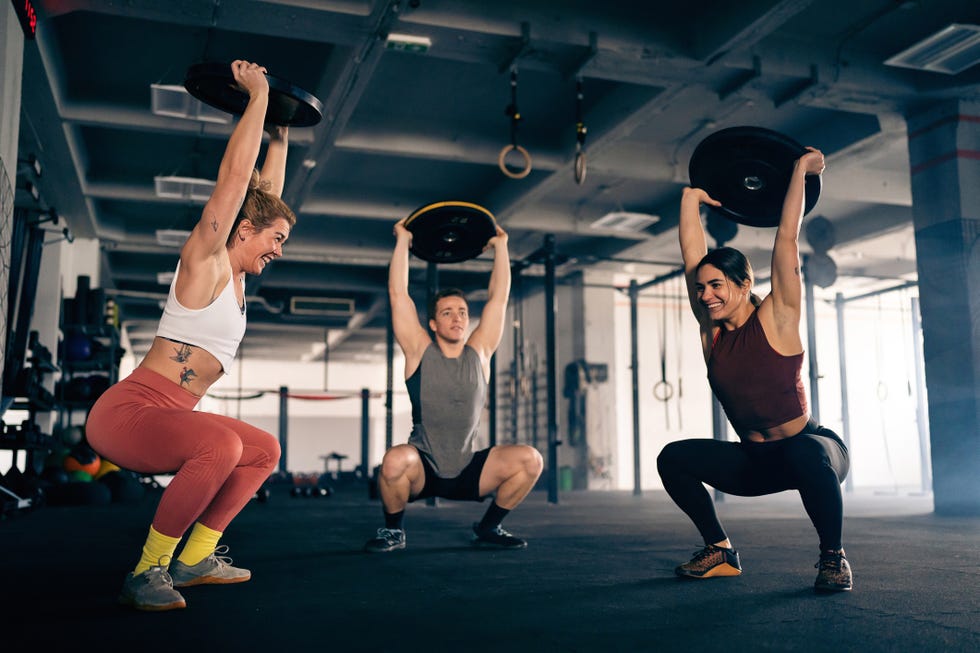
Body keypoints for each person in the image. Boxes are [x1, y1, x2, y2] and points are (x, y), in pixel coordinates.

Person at [86, 60, 295, 611]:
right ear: (242, 232)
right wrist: (256, 98)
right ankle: (148, 569)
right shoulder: (206, 262)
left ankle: (195, 557)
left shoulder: (242, 273)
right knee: (220, 443)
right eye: (276, 239)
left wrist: (281, 129)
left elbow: (262, 193)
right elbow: (235, 185)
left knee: (262, 451)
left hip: (171, 412)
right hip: (128, 414)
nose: (279, 249)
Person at [657, 146, 853, 592]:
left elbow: (786, 239)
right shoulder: (712, 334)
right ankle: (720, 551)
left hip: (814, 450)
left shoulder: (777, 317)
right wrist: (690, 202)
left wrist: (799, 173)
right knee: (673, 458)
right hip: (758, 460)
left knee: (805, 454)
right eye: (702, 288)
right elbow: (692, 257)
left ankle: (833, 557)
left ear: (745, 286)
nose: (706, 295)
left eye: (717, 286)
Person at [364, 216, 544, 553]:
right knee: (393, 461)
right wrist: (403, 239)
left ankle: (490, 527)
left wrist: (501, 247)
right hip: (424, 465)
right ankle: (393, 531)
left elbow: (498, 300)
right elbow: (398, 294)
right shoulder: (419, 351)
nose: (457, 317)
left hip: (470, 467)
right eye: (447, 312)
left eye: (462, 311)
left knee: (531, 460)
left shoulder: (480, 352)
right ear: (433, 323)